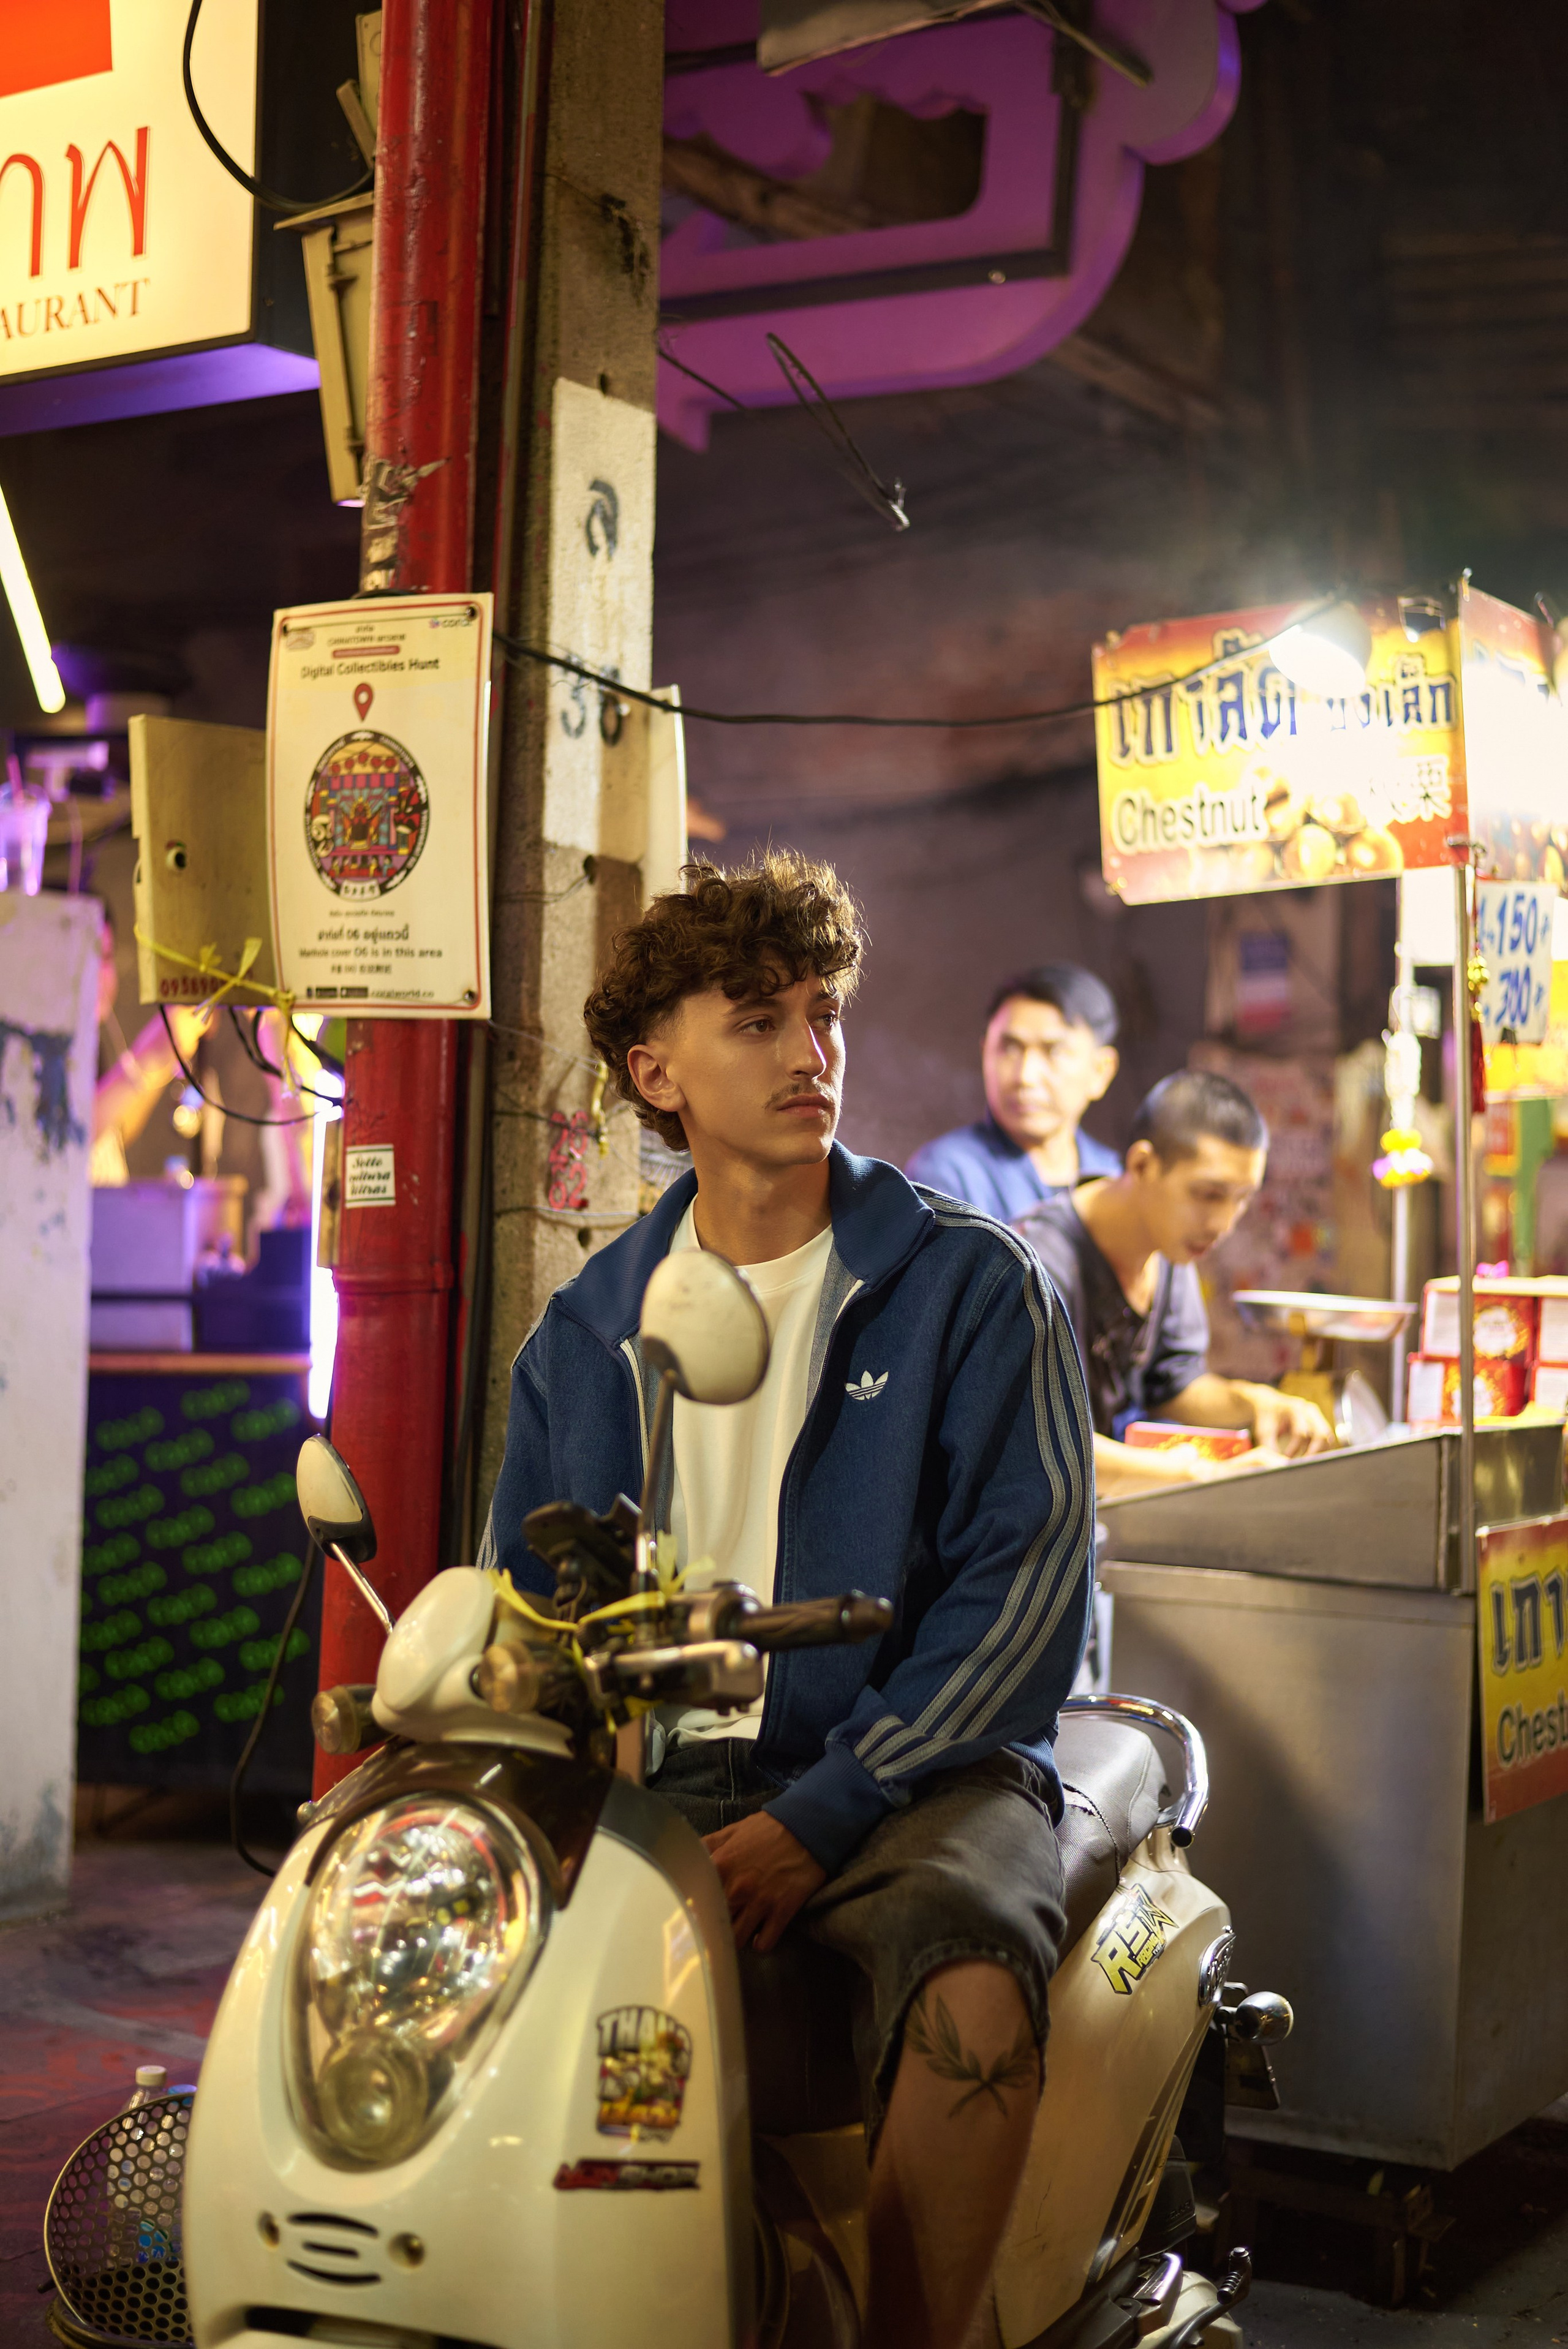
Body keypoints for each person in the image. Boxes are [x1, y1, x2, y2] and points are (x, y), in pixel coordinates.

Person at [482, 851, 1093, 2349]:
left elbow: (1022, 1591)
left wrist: (828, 1803)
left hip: (920, 1766)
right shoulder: (585, 1331)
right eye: (755, 1020)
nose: (809, 1051)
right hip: (675, 1778)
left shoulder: (965, 1280)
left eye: (818, 1014)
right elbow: (535, 1605)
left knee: (965, 1977)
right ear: (655, 1069)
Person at [1013, 1068, 1335, 1498]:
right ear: (1142, 1164)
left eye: (1242, 1199)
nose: (1223, 1223)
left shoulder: (1172, 1248)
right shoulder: (1037, 1265)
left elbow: (1176, 1383)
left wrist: (1257, 1403)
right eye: (1207, 1194)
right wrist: (1198, 1475)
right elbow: (1036, 1445)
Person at [906, 962, 1121, 1217]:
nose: (1025, 1076)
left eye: (1054, 1052)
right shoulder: (946, 1176)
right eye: (1009, 1048)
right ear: (985, 1052)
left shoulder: (1114, 1176)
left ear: (1100, 1071)